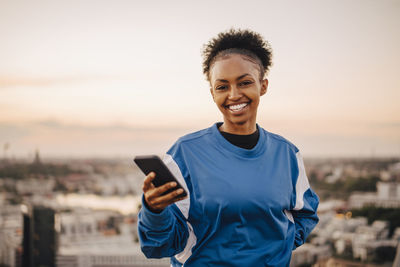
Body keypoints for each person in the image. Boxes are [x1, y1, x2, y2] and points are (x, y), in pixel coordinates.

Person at [137, 28, 319, 266]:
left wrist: (277, 248)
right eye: (222, 87)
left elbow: (306, 214)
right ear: (212, 93)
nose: (234, 94)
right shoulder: (185, 154)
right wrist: (154, 211)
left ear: (262, 86)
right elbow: (160, 245)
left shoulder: (287, 154)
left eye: (244, 83)